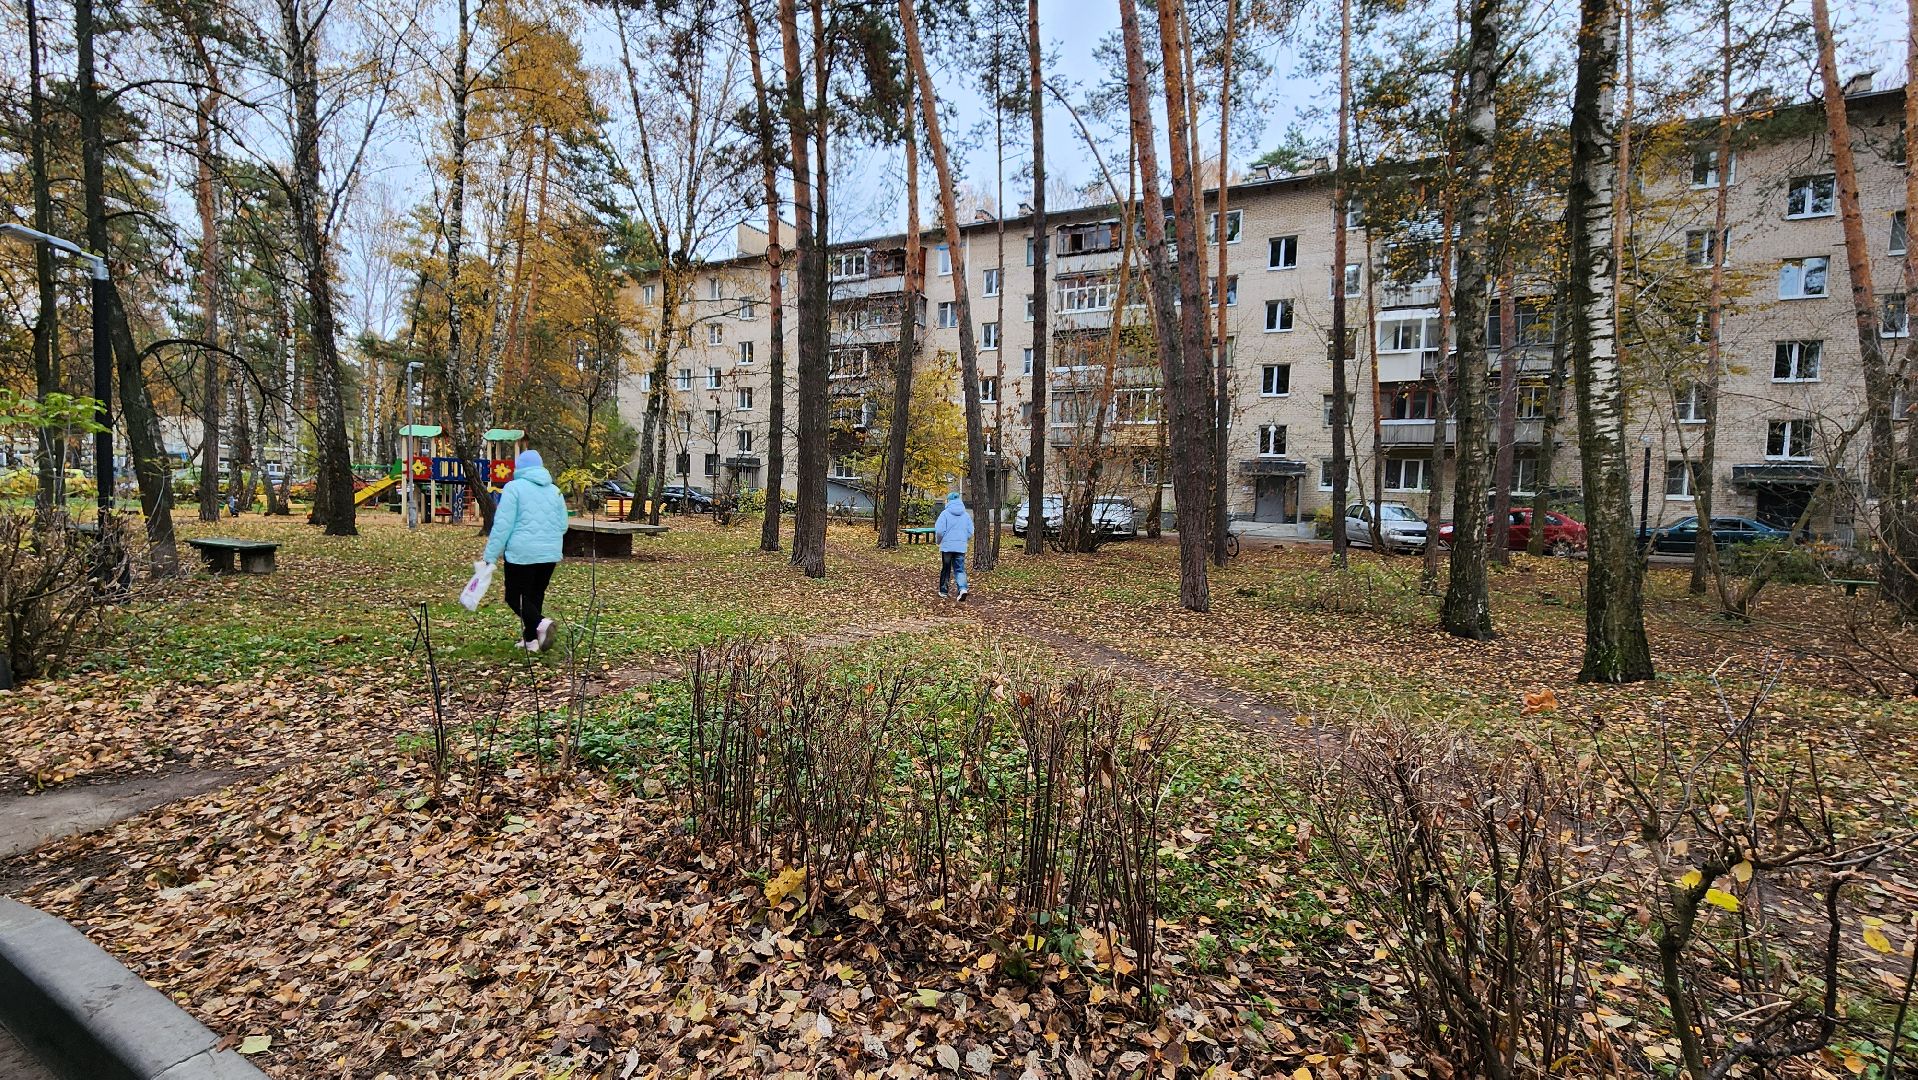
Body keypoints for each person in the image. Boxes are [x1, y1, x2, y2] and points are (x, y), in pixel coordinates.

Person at [481, 448, 568, 652]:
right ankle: (531, 640)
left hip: (522, 553)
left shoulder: (513, 488)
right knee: (535, 594)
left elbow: (503, 525)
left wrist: (490, 555)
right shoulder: (555, 491)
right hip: (549, 553)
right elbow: (563, 525)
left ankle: (540, 623)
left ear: (519, 468)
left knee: (514, 596)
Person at [933, 491, 973, 601]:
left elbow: (940, 531)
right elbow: (970, 531)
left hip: (947, 546)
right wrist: (963, 540)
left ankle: (943, 591)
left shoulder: (945, 514)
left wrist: (938, 541)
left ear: (949, 501)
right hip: (960, 547)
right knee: (959, 569)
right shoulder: (966, 515)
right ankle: (963, 588)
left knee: (946, 568)